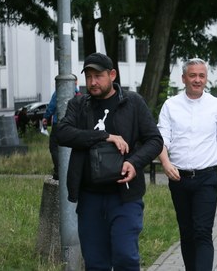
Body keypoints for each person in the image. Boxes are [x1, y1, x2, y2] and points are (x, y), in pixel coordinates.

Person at [55, 52, 163, 270]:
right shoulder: (79, 105)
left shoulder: (133, 103)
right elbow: (62, 133)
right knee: (95, 263)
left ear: (112, 74)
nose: (93, 82)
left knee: (125, 257)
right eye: (89, 77)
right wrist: (104, 136)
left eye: (99, 76)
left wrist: (134, 162)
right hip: (90, 197)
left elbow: (154, 140)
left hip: (124, 196)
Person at [157, 58, 217, 271]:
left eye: (201, 76)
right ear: (184, 78)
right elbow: (161, 140)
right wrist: (165, 163)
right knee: (186, 232)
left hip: (206, 178)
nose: (197, 80)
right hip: (178, 178)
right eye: (193, 75)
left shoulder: (216, 105)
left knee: (203, 231)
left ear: (206, 79)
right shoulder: (170, 106)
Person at [43, 74, 81, 180]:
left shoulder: (59, 92)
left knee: (54, 147)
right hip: (74, 125)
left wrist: (46, 117)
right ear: (76, 82)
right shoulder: (78, 94)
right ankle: (70, 170)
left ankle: (59, 171)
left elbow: (52, 106)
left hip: (59, 124)